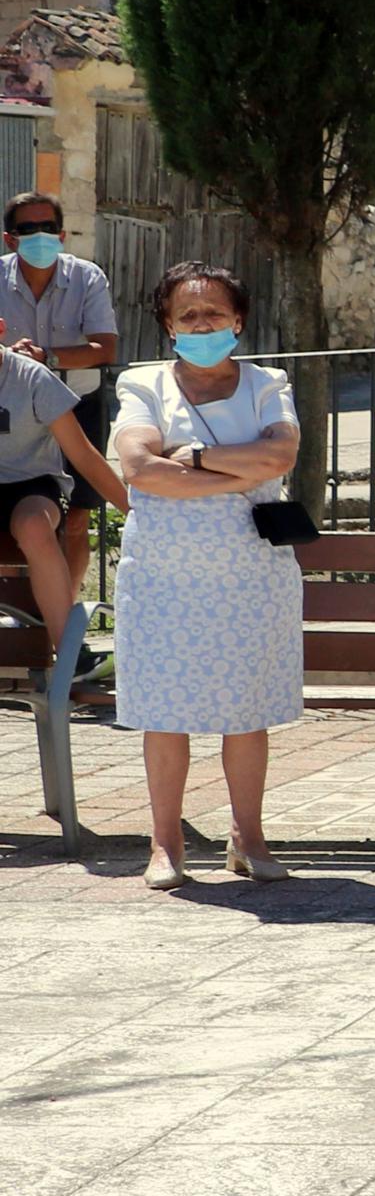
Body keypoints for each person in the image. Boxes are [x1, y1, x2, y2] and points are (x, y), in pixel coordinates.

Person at [106, 265, 306, 889]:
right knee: (165, 712)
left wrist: (191, 457)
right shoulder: (142, 384)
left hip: (250, 574)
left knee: (247, 712)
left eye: (213, 313)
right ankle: (165, 843)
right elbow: (138, 467)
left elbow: (281, 455)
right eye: (187, 315)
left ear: (238, 320)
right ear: (167, 326)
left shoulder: (268, 383)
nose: (201, 324)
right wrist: (238, 473)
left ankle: (249, 837)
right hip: (165, 575)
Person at [2, 191, 123, 626]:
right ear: (10, 239)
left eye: (47, 228)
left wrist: (44, 358)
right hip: (14, 413)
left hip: (79, 403)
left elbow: (104, 348)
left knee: (76, 521)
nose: (40, 236)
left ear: (62, 234)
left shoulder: (87, 277)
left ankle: (64, 630)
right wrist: (9, 355)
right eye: (28, 230)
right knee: (25, 524)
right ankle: (27, 621)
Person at [0, 322, 123, 660]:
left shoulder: (31, 377)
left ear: (0, 330)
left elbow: (82, 453)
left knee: (35, 526)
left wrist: (132, 508)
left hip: (31, 484)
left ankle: (70, 653)